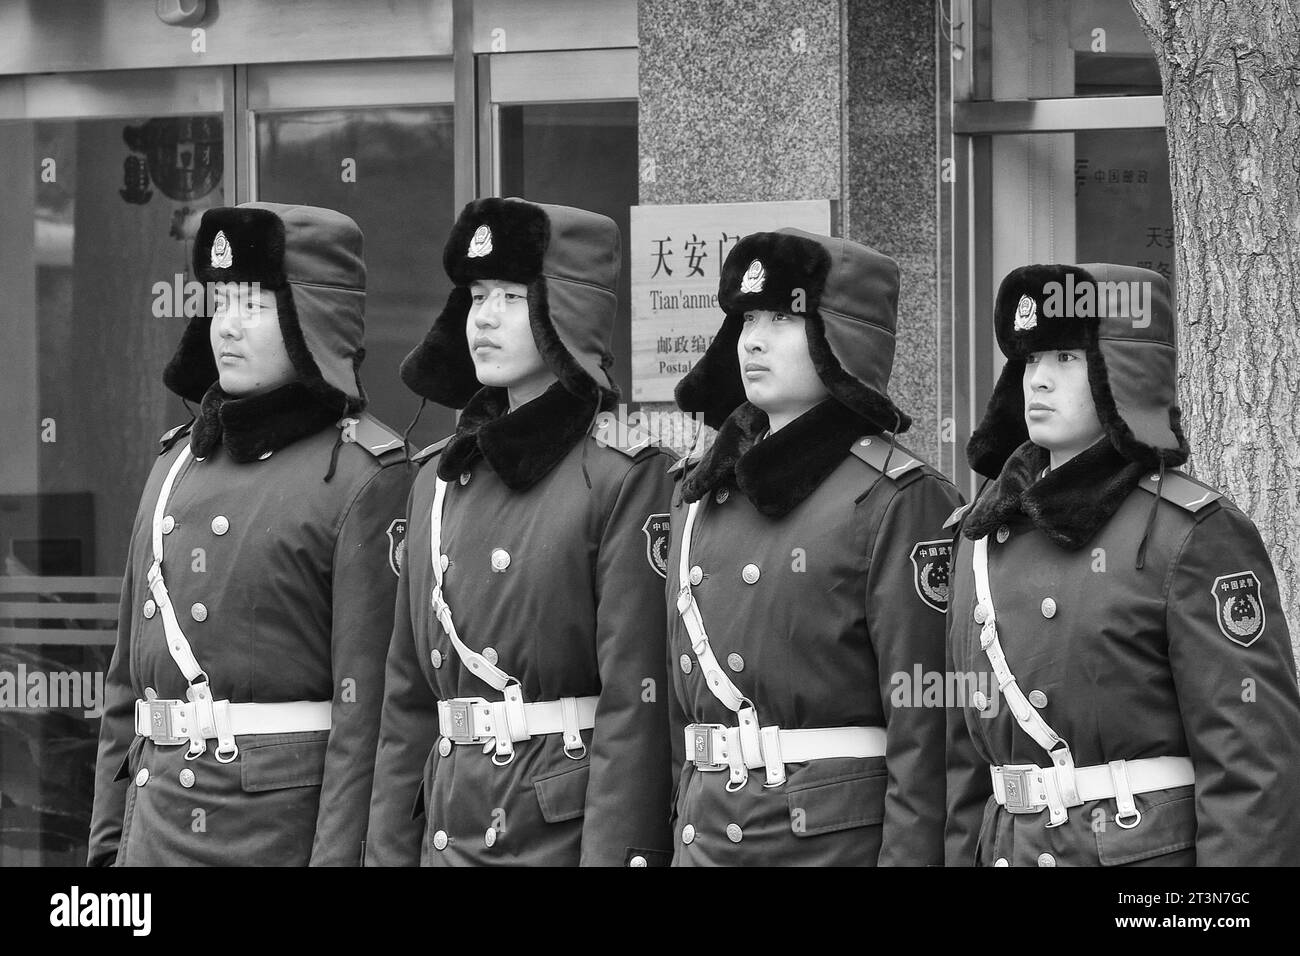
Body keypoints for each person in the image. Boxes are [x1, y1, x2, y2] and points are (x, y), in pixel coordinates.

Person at [87, 202, 413, 866]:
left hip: (271, 837)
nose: (227, 327)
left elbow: (369, 724)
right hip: (153, 831)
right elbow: (127, 689)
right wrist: (106, 851)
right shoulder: (173, 464)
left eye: (255, 305)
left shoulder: (362, 477)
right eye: (220, 300)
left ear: (310, 316)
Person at [944, 262, 1300, 866]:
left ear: (1120, 372)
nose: (1039, 382)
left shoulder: (1190, 534)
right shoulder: (976, 535)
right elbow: (962, 760)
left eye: (1066, 358)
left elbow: (1252, 762)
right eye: (1030, 360)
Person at [366, 197, 675, 866]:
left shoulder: (624, 473)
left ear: (567, 307)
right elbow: (408, 702)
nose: (485, 317)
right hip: (447, 830)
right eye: (477, 295)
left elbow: (635, 707)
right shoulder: (435, 482)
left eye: (511, 295)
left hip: (550, 833)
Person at [665, 229, 962, 865]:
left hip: (825, 845)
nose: (753, 339)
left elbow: (927, 733)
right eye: (746, 318)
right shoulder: (698, 493)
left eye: (783, 317)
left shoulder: (901, 499)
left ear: (838, 338)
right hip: (706, 837)